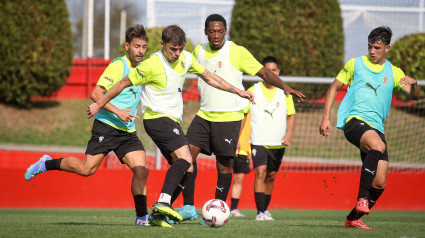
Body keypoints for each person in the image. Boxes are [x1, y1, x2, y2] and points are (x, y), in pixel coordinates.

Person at [86, 25, 254, 228]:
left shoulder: (186, 58)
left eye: (180, 49)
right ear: (163, 44)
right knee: (186, 158)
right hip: (156, 118)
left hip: (172, 121)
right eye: (172, 49)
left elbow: (210, 77)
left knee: (188, 168)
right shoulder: (150, 65)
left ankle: (158, 216)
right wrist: (99, 103)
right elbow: (122, 83)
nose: (176, 54)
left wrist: (238, 91)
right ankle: (163, 202)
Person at [174, 14, 305, 223]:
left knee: (223, 167)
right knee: (186, 158)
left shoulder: (237, 51)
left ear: (225, 31)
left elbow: (264, 73)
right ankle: (188, 206)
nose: (216, 35)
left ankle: (217, 209)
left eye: (219, 31)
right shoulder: (198, 51)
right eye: (212, 31)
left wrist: (286, 87)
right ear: (206, 31)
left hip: (229, 118)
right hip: (203, 115)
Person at [25, 24, 151, 226]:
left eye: (144, 47)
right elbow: (96, 94)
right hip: (106, 126)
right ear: (127, 46)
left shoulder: (143, 68)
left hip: (127, 131)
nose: (141, 51)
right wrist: (118, 112)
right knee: (86, 170)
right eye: (137, 46)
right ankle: (46, 163)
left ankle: (142, 217)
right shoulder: (118, 65)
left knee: (142, 169)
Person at [319, 26, 420, 229]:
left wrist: (415, 83)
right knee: (377, 145)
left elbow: (414, 95)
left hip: (376, 128)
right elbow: (333, 88)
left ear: (387, 48)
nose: (372, 51)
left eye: (377, 47)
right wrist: (325, 118)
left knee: (380, 183)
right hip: (354, 121)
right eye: (370, 47)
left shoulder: (393, 71)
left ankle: (353, 218)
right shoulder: (355, 64)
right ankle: (362, 199)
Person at [246, 56, 296, 221]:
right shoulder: (253, 90)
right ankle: (260, 212)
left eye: (274, 70)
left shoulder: (284, 93)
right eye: (268, 70)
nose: (271, 73)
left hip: (277, 142)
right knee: (260, 172)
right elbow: (244, 115)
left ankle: (265, 210)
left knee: (271, 175)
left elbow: (291, 115)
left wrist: (289, 133)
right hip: (258, 140)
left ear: (278, 72)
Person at [229, 112, 252, 218]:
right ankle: (219, 206)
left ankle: (233, 209)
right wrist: (235, 139)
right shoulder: (238, 105)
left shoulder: (254, 107)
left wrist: (250, 150)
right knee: (225, 176)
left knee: (238, 180)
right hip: (230, 145)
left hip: (243, 149)